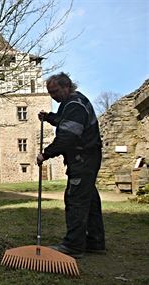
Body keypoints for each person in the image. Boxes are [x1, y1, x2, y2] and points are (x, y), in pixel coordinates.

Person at [37, 72, 105, 259]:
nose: (53, 96)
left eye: (55, 91)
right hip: (88, 157)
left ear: (67, 87)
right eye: (50, 93)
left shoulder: (74, 105)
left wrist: (45, 154)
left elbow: (68, 136)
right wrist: (49, 117)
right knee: (89, 200)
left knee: (75, 200)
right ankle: (95, 241)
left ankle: (73, 246)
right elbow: (64, 121)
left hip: (82, 158)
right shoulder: (72, 103)